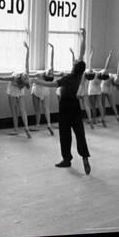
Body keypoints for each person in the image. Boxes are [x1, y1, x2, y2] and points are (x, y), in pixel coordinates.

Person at [33, 28, 91, 175]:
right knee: (79, 132)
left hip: (65, 106)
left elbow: (53, 85)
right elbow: (82, 53)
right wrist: (84, 37)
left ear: (74, 66)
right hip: (75, 106)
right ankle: (84, 156)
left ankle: (67, 159)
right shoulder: (78, 76)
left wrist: (38, 82)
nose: (75, 60)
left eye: (75, 62)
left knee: (65, 134)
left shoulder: (69, 78)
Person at [0, 41, 32, 138]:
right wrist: (27, 49)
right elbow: (27, 61)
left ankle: (17, 129)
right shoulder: (24, 76)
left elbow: (3, 78)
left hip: (13, 92)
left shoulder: (15, 77)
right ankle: (25, 127)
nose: (25, 74)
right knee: (22, 110)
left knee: (15, 111)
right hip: (18, 92)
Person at [28, 43, 57, 136]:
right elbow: (52, 61)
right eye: (51, 72)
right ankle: (42, 124)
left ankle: (44, 125)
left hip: (39, 91)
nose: (50, 71)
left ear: (47, 76)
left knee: (43, 109)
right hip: (41, 91)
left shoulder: (41, 74)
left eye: (50, 73)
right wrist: (52, 49)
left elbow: (31, 76)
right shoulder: (48, 71)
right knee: (41, 109)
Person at [87, 49, 112, 127]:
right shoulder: (102, 76)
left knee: (93, 106)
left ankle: (94, 120)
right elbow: (107, 65)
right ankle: (103, 119)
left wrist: (92, 53)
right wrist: (110, 55)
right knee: (100, 105)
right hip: (98, 90)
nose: (106, 71)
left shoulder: (94, 73)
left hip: (91, 90)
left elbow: (90, 62)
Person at [101, 51, 119, 124]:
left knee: (103, 104)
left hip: (103, 90)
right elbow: (118, 69)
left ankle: (103, 118)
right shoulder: (112, 75)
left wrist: (110, 55)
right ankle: (117, 116)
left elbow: (107, 65)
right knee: (112, 104)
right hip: (108, 90)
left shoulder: (108, 74)